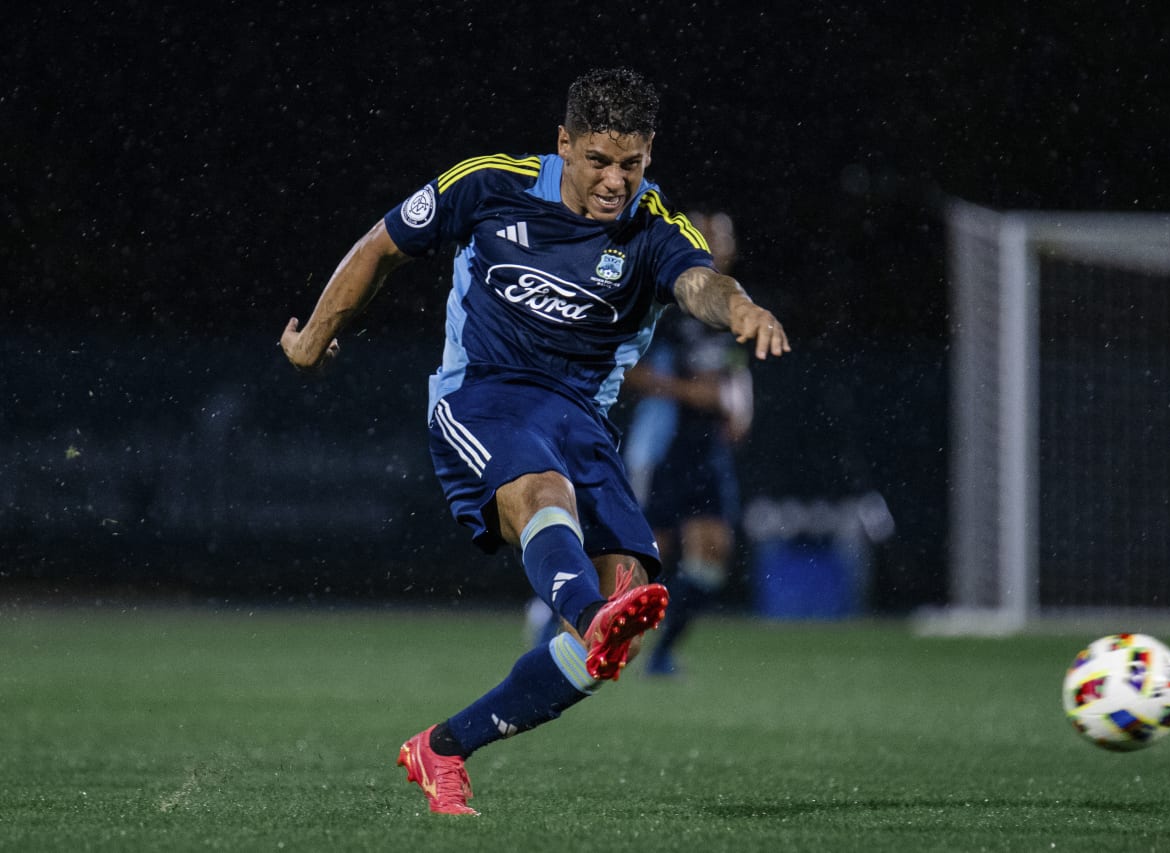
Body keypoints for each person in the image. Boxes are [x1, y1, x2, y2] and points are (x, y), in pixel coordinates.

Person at [279, 67, 790, 816]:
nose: (616, 181)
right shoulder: (490, 186)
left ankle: (443, 747)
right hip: (482, 395)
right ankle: (587, 612)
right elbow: (382, 245)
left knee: (626, 624)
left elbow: (699, 284)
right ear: (564, 144)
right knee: (549, 506)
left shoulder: (655, 229)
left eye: (632, 163)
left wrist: (739, 307)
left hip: (582, 423)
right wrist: (313, 337)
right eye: (599, 161)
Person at [622, 210, 752, 676]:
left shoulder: (734, 308)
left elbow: (733, 371)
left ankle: (661, 653)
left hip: (708, 450)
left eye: (725, 235)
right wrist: (687, 392)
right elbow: (627, 370)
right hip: (663, 449)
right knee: (643, 561)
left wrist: (739, 406)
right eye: (709, 236)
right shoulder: (670, 304)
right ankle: (566, 625)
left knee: (713, 556)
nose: (718, 244)